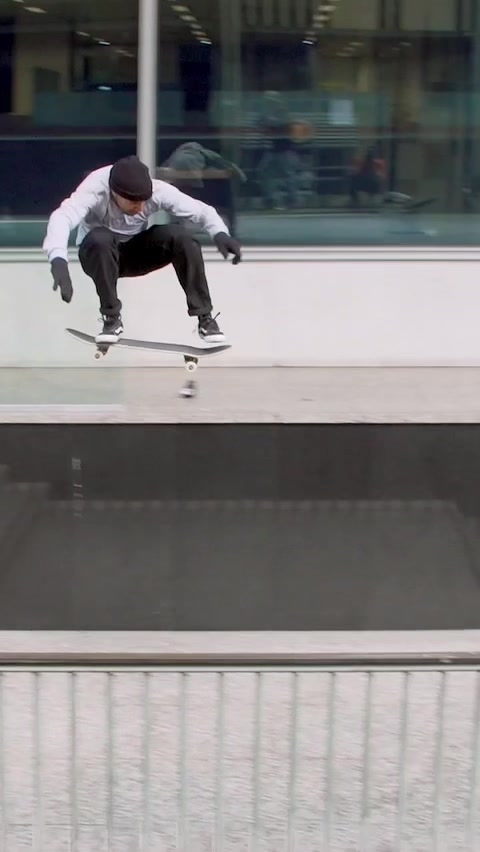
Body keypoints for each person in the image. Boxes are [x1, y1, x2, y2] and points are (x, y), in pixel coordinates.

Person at [43, 155, 242, 344]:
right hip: (98, 256)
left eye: (143, 202)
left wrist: (220, 233)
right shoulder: (95, 188)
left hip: (134, 254)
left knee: (183, 237)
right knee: (100, 238)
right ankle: (111, 318)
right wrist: (58, 259)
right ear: (115, 193)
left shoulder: (158, 191)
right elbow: (63, 216)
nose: (140, 207)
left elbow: (202, 211)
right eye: (133, 203)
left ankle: (205, 319)